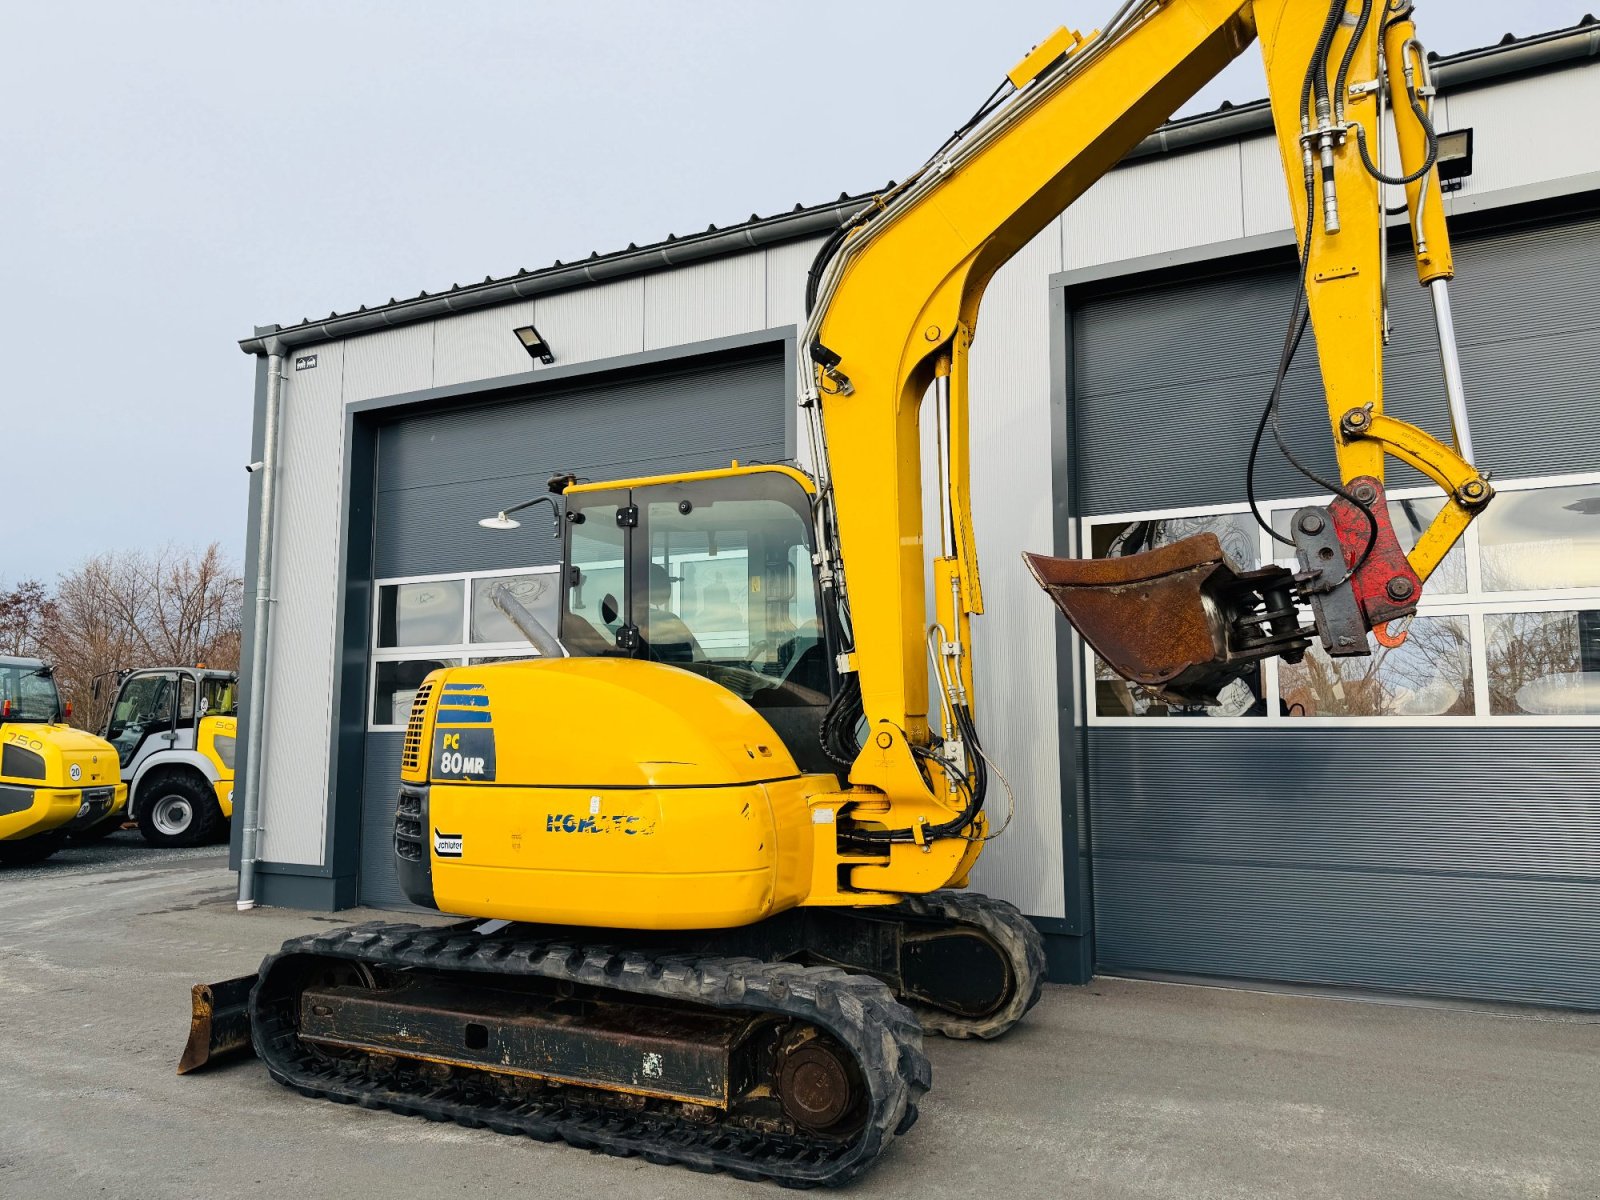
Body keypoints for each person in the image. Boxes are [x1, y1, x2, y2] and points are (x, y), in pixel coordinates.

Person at [646, 564, 703, 664]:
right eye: (664, 584)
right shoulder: (670, 621)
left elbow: (699, 655)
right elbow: (700, 656)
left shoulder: (669, 620)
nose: (669, 588)